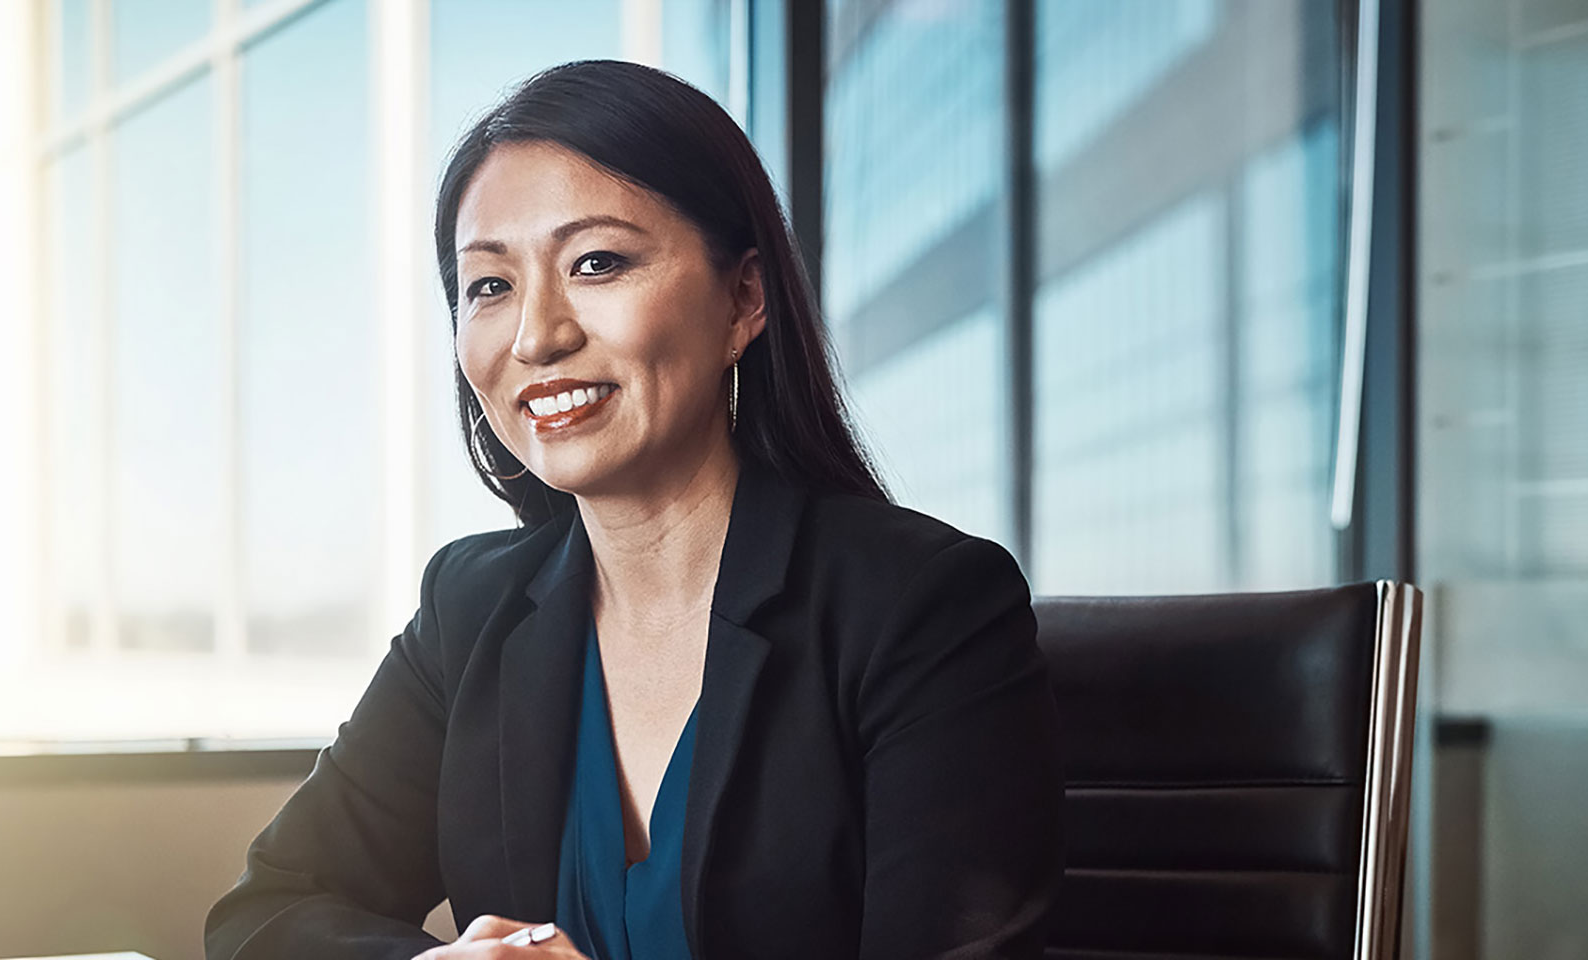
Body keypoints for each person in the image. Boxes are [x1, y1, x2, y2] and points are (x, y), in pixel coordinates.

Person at [204, 59, 1062, 960]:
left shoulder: (923, 607)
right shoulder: (470, 610)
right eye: (489, 286)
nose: (538, 335)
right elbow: (269, 911)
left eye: (597, 263)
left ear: (744, 298)